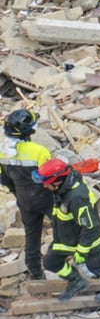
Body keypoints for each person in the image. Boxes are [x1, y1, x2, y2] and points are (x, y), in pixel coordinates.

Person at [35, 159, 100, 303]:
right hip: (67, 239)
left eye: (46, 182)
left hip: (87, 241)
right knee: (51, 262)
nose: (44, 186)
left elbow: (90, 226)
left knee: (97, 267)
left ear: (57, 181)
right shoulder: (63, 188)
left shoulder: (76, 197)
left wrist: (82, 250)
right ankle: (77, 281)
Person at [0, 110, 51, 279]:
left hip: (23, 197)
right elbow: (50, 178)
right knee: (63, 226)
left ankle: (34, 269)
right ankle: (57, 260)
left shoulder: (2, 151)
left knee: (32, 232)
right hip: (44, 197)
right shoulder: (39, 151)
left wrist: (17, 192)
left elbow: (4, 179)